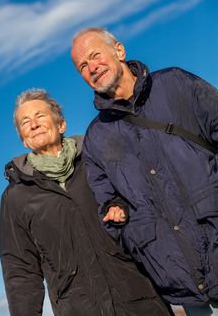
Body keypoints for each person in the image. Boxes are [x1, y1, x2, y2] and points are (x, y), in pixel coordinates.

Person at [71, 27, 218, 316]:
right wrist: (117, 211)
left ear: (119, 51)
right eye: (82, 66)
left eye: (95, 55)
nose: (92, 68)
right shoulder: (96, 139)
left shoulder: (176, 83)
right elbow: (108, 200)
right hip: (178, 276)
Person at [0, 88, 171, 316]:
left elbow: (142, 201)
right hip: (78, 309)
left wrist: (122, 208)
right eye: (25, 122)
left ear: (61, 125)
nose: (33, 124)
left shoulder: (96, 160)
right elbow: (20, 271)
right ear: (23, 140)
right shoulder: (16, 197)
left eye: (40, 116)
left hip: (139, 299)